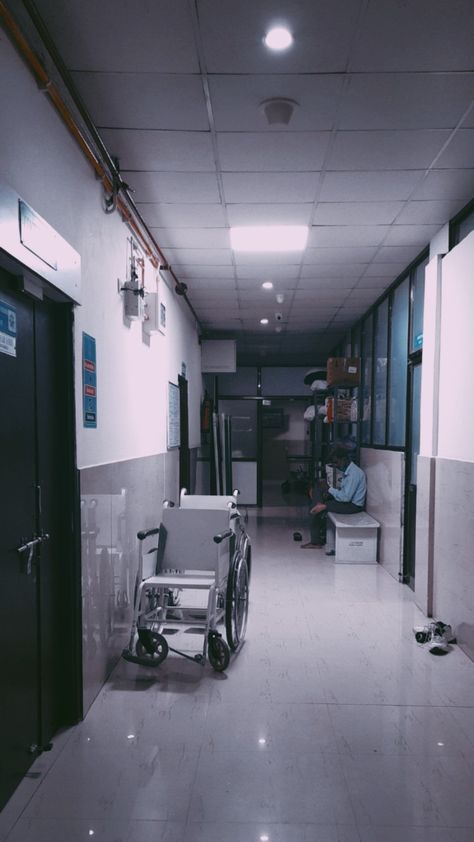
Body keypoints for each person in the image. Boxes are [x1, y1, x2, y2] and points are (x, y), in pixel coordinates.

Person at [301, 446, 366, 549]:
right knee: (318, 488)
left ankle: (316, 541)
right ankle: (318, 504)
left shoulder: (354, 473)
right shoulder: (349, 471)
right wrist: (328, 491)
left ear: (344, 459)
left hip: (352, 506)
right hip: (346, 502)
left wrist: (329, 490)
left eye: (337, 462)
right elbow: (343, 493)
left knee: (317, 509)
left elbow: (346, 498)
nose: (336, 466)